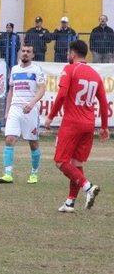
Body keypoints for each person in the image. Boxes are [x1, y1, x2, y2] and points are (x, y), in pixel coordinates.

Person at [44, 40, 109, 213]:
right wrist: (104, 127)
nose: (67, 55)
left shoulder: (70, 69)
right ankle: (70, 202)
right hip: (89, 124)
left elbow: (61, 96)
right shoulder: (95, 75)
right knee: (76, 162)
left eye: (68, 53)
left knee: (60, 161)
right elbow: (103, 103)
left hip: (72, 123)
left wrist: (50, 117)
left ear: (73, 54)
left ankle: (88, 187)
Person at [0, 43, 46, 184]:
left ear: (32, 55)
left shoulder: (37, 70)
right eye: (23, 51)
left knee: (33, 143)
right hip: (15, 108)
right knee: (9, 139)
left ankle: (34, 173)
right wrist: (7, 111)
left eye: (28, 51)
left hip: (30, 110)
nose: (25, 53)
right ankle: (7, 174)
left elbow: (42, 89)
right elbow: (11, 91)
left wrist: (31, 104)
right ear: (20, 53)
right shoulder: (14, 69)